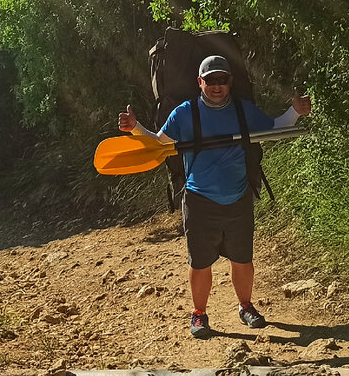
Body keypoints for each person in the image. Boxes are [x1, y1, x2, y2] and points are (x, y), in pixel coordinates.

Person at [118, 55, 310, 338]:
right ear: (200, 82)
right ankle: (199, 314)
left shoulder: (244, 111)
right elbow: (158, 144)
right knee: (200, 263)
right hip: (199, 200)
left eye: (222, 80)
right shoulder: (184, 113)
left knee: (243, 259)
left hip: (239, 197)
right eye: (210, 80)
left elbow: (274, 127)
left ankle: (246, 307)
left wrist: (294, 110)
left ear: (229, 82)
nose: (217, 86)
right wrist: (135, 127)